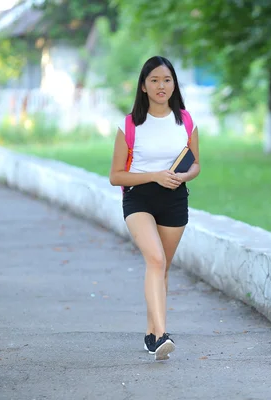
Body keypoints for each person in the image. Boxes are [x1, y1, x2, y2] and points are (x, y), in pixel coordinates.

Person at [108, 56, 200, 360]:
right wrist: (154, 176)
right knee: (156, 259)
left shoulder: (185, 120)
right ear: (144, 87)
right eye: (154, 80)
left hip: (175, 198)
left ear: (174, 84)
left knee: (162, 268)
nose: (161, 86)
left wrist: (182, 175)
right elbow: (115, 176)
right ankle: (162, 335)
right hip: (139, 198)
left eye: (167, 80)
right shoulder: (131, 124)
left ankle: (151, 335)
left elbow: (196, 163)